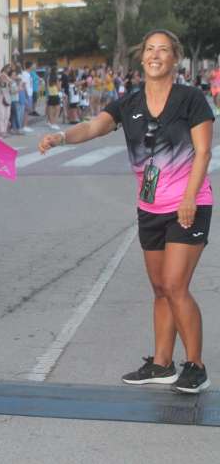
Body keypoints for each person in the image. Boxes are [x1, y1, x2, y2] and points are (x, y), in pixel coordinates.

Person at [39, 29, 214, 394]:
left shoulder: (191, 98)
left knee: (175, 285)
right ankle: (162, 364)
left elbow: (202, 152)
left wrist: (188, 197)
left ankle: (196, 366)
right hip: (149, 207)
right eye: (150, 49)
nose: (155, 55)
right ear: (142, 57)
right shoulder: (129, 103)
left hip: (188, 205)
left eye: (163, 50)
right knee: (160, 288)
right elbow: (94, 126)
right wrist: (61, 137)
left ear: (175, 58)